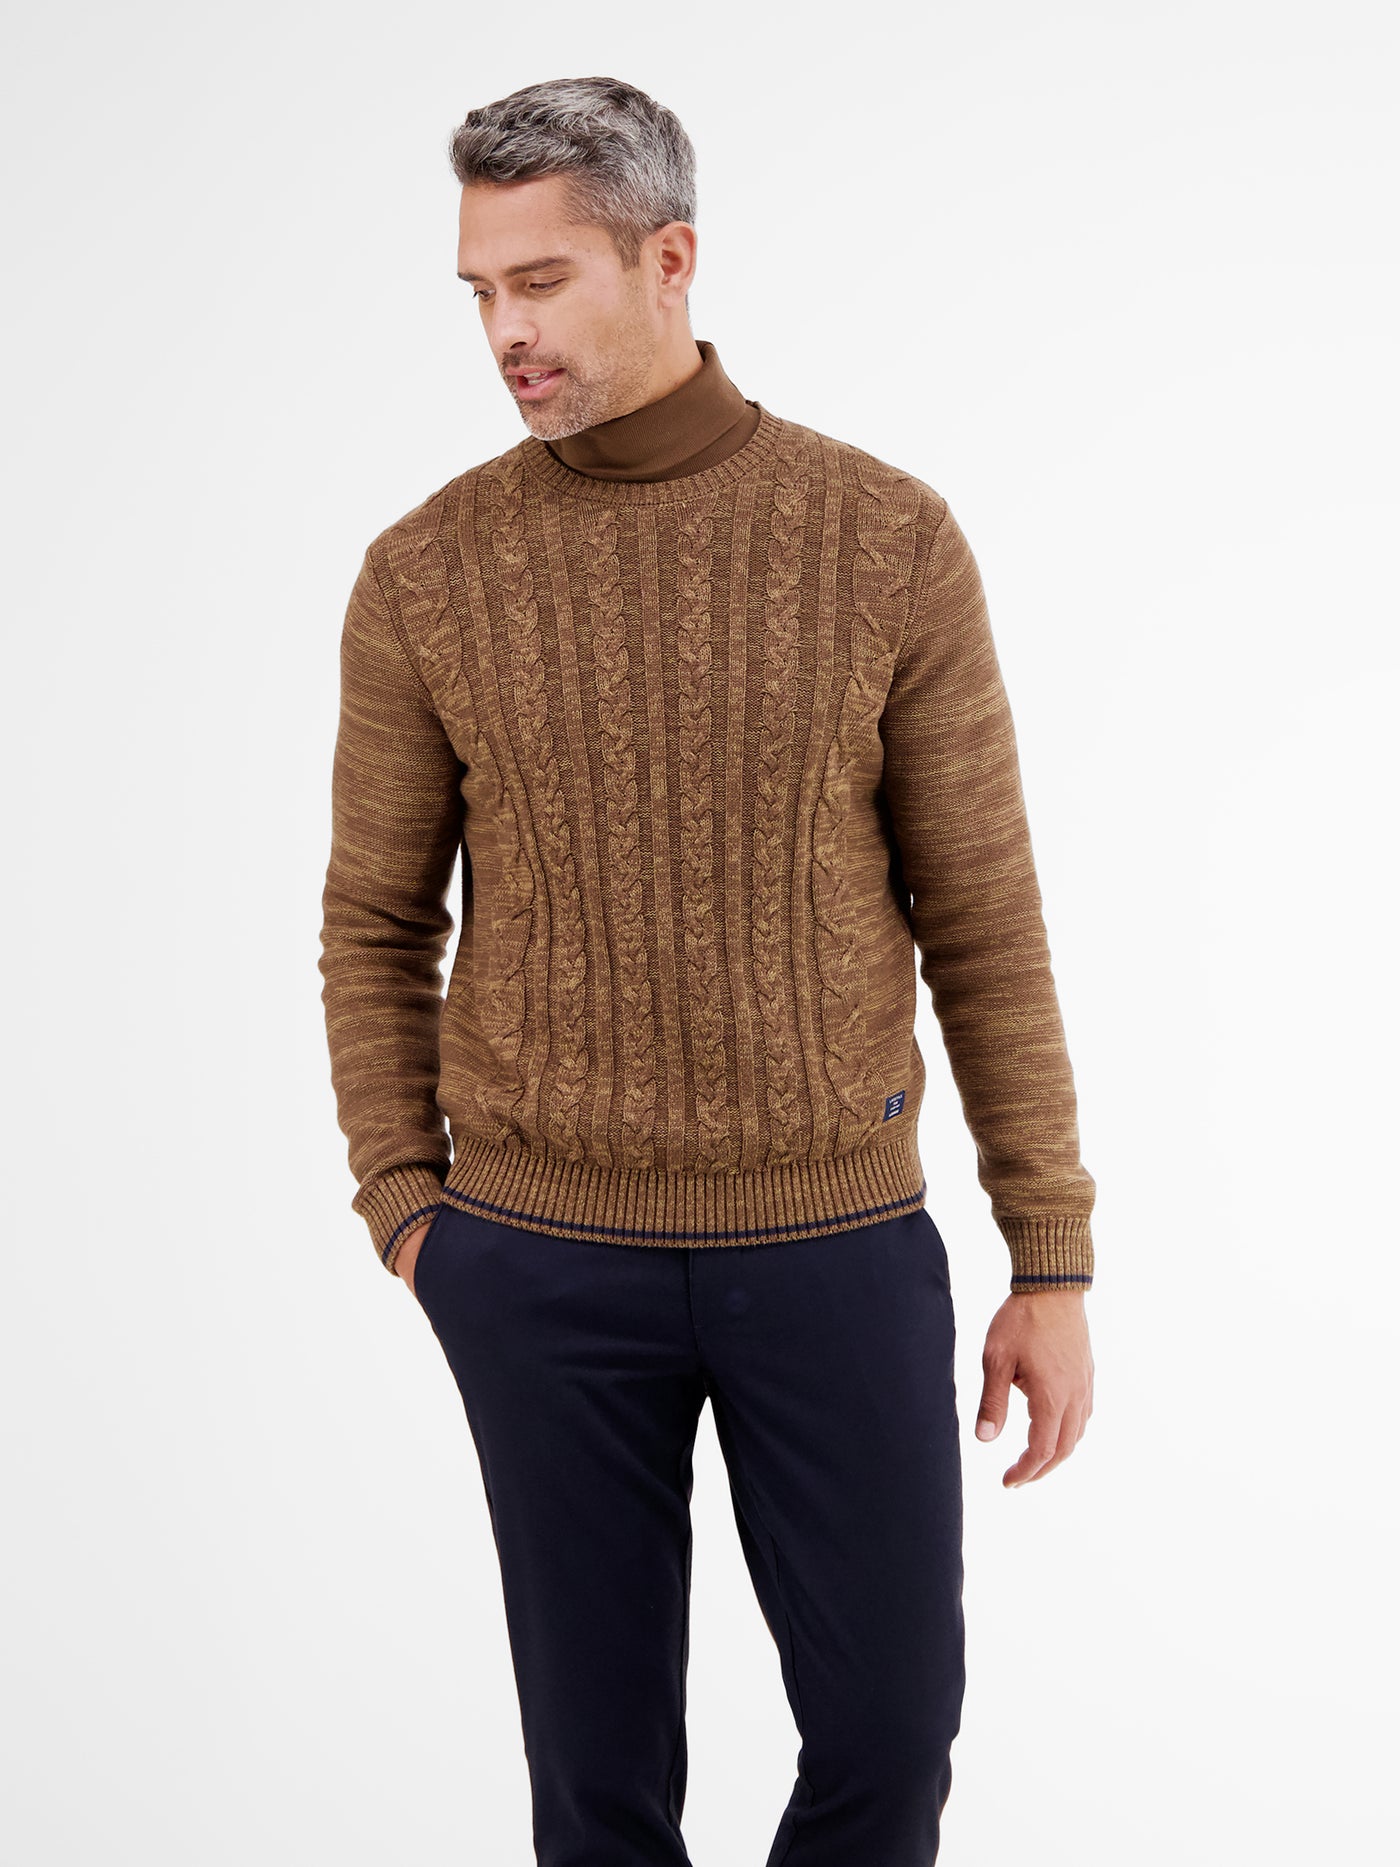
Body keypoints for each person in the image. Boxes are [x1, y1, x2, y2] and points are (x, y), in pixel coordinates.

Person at [317, 73, 1096, 1867]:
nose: (505, 333)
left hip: (834, 1244)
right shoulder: (426, 574)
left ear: (670, 260)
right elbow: (374, 920)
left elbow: (986, 916)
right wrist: (409, 1210)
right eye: (480, 292)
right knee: (596, 1794)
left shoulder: (884, 538)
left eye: (543, 282)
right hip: (538, 1264)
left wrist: (1048, 1251)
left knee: (890, 1740)